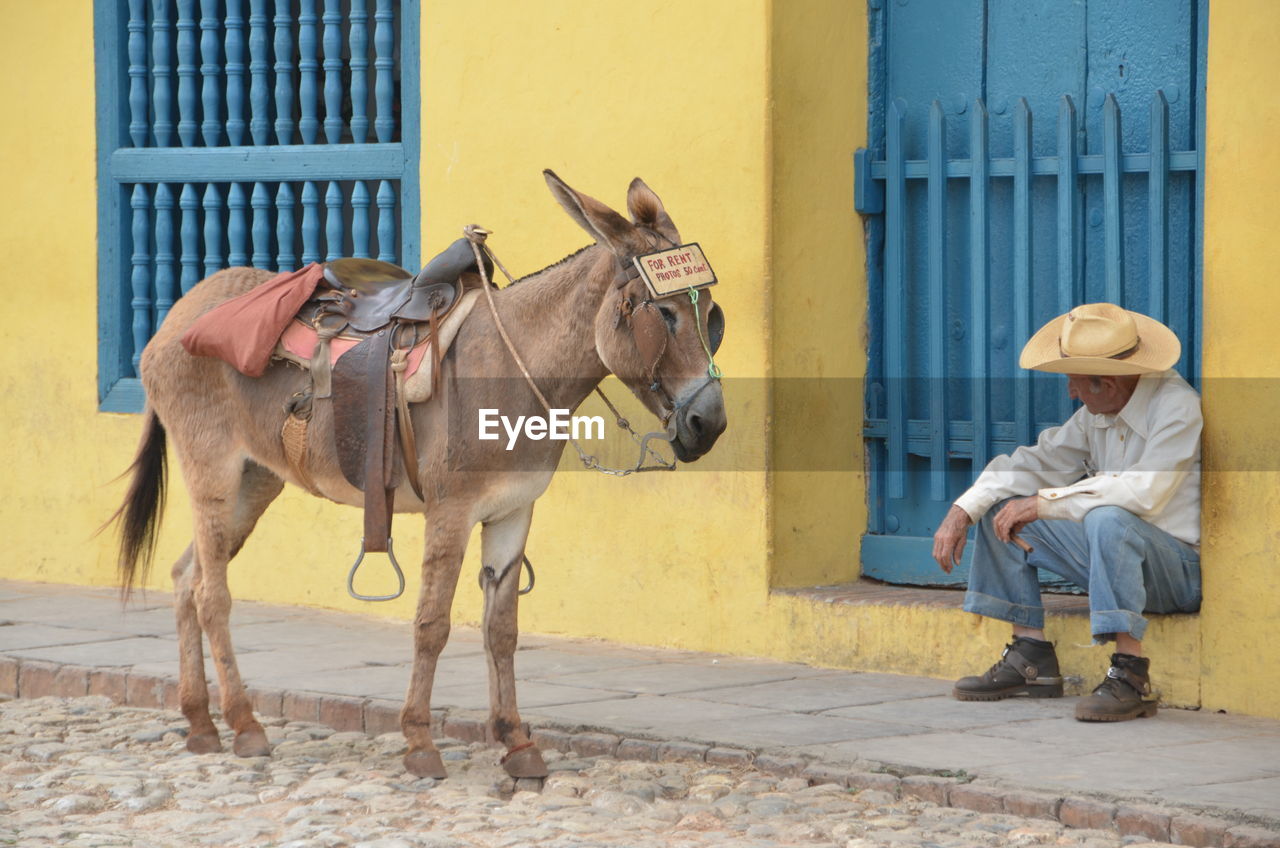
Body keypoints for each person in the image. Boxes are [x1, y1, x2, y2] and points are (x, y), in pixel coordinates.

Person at [932, 303, 1201, 722]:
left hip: (1175, 573)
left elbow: (1144, 492)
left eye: (1075, 382)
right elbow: (1035, 463)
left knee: (1107, 516)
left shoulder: (1177, 408)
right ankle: (1030, 657)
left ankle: (1130, 673)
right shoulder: (1096, 413)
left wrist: (1047, 502)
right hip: (1112, 560)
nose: (1071, 391)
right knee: (1002, 509)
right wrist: (963, 509)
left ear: (1108, 382)